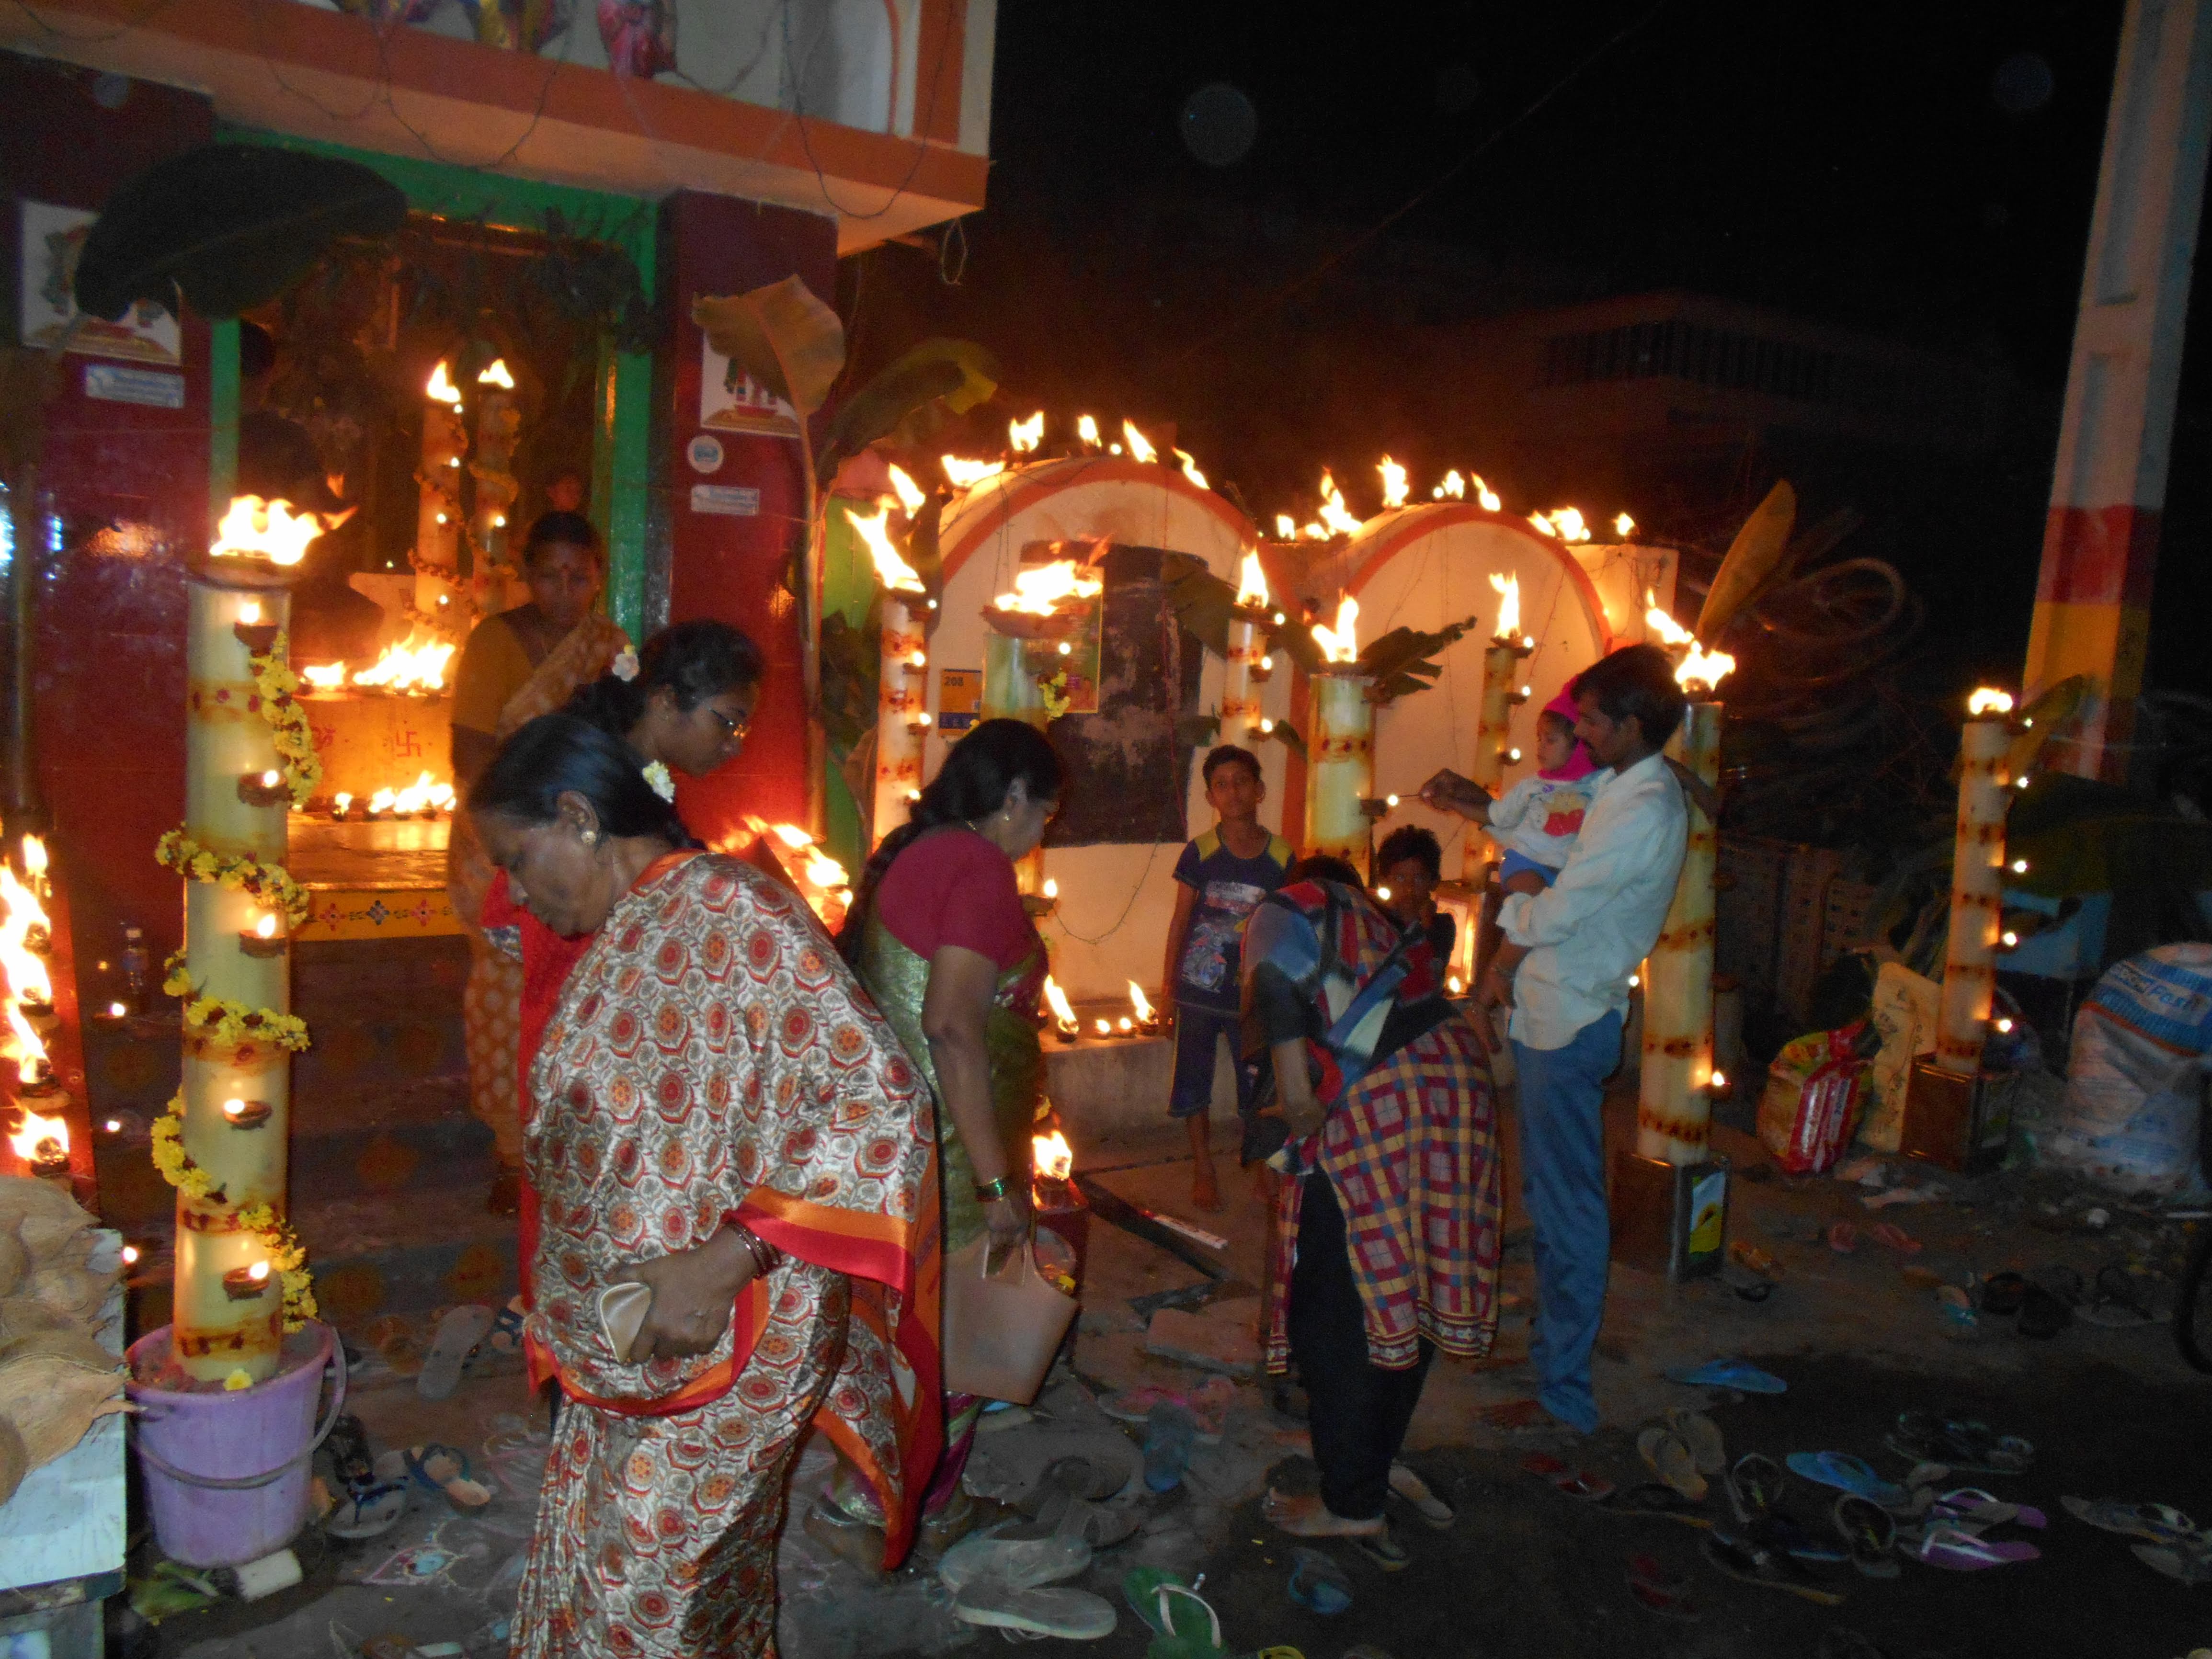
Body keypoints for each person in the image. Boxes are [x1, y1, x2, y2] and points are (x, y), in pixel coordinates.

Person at [474, 715, 939, 1658]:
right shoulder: (630, 924)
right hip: (626, 1341)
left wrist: (729, 1258)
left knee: (658, 1601)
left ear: (579, 817)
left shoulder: (729, 906)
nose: (515, 892)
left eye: (517, 860)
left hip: (722, 1330)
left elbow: (879, 1095)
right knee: (602, 1579)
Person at [811, 718, 1066, 1563]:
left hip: (904, 1145)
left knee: (912, 1335)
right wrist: (996, 1186)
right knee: (952, 1344)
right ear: (1015, 796)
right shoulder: (977, 865)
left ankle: (885, 1497)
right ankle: (889, 1509)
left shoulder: (922, 855)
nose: (1040, 835)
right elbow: (952, 1026)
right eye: (1044, 814)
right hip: (951, 1155)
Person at [1421, 644, 1691, 1434]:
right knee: (1549, 1194)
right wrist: (1485, 812)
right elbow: (1549, 821)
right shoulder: (1621, 784)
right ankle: (1551, 1354)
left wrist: (1512, 900)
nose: (1583, 733)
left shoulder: (1641, 807)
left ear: (1632, 726)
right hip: (1556, 1011)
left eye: (1594, 721)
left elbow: (1559, 907)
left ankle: (1564, 1391)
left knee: (1568, 1204)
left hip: (1570, 1017)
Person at [477, 620, 764, 1308]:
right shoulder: (574, 794)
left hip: (622, 1052)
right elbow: (506, 912)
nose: (733, 744)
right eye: (726, 721)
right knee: (579, 1225)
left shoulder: (644, 809)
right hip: (584, 1045)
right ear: (663, 701)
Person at [1248, 864, 1503, 1566]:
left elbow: (1300, 1098)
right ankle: (1369, 1455)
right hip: (1455, 1078)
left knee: (1338, 1302)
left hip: (1388, 1100)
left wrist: (1286, 1141)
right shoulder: (1367, 922)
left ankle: (1351, 1501)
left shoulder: (1277, 916)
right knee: (1409, 1287)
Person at [446, 511, 630, 1212]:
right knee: (504, 993)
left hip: (580, 846)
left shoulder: (607, 647)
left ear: (597, 578)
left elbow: (622, 744)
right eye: (549, 575)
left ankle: (571, 1141)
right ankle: (509, 1151)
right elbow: (468, 751)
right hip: (500, 840)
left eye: (577, 577)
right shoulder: (495, 641)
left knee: (578, 993)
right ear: (526, 576)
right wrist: (524, 829)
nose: (563, 590)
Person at [1159, 745, 1293, 1209]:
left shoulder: (1281, 856)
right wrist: (1167, 990)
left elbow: (1285, 928)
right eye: (1221, 784)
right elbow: (1180, 921)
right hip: (1197, 992)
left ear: (1259, 790)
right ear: (1210, 797)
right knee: (1192, 1082)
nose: (1232, 792)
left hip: (1252, 997)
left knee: (1257, 1085)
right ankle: (1203, 1168)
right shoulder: (1200, 852)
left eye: (1241, 782)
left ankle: (1263, 1168)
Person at [1373, 825, 1455, 969]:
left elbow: (1434, 963)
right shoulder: (1375, 920)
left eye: (1419, 879)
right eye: (1400, 878)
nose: (1409, 888)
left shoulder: (1442, 925)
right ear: (1384, 880)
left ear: (1434, 882)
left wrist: (1427, 922)